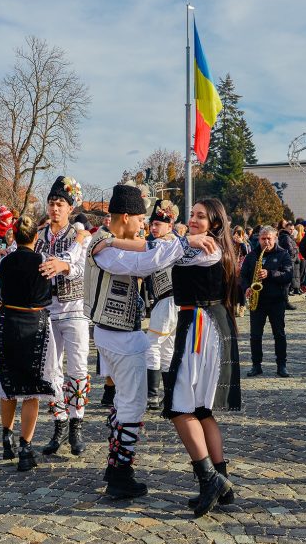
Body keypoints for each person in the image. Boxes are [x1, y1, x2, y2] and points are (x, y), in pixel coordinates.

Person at [87, 193, 236, 516]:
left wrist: (110, 243)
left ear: (215, 223)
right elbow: (154, 251)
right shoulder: (198, 244)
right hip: (194, 323)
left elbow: (152, 257)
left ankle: (208, 477)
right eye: (192, 214)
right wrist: (110, 242)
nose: (193, 220)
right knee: (197, 409)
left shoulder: (205, 248)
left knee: (181, 407)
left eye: (200, 216)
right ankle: (218, 480)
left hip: (198, 325)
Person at [0, 214, 57, 472]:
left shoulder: (4, 260)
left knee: (9, 383)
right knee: (31, 389)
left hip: (8, 320)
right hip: (35, 322)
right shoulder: (43, 260)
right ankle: (25, 447)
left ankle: (6, 435)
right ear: (35, 238)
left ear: (14, 237)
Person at [33, 176, 92, 458]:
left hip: (75, 310)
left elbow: (82, 269)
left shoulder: (80, 237)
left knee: (77, 368)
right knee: (49, 370)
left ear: (70, 208)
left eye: (60, 204)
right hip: (47, 309)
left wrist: (63, 266)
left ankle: (76, 424)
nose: (54, 208)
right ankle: (59, 423)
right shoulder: (40, 237)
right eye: (51, 203)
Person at [240, 226, 293, 378]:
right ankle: (256, 365)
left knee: (279, 334)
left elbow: (288, 275)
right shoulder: (252, 256)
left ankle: (281, 365)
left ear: (275, 238)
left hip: (276, 300)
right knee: (255, 335)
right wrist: (246, 288)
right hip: (258, 301)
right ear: (259, 239)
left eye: (269, 238)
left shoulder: (283, 254)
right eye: (263, 239)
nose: (266, 241)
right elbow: (243, 276)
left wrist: (270, 274)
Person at [144, 200, 180, 411]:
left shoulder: (164, 243)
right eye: (153, 224)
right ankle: (169, 395)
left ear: (169, 225)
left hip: (168, 300)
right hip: (169, 300)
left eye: (158, 224)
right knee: (167, 349)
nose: (154, 228)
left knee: (153, 346)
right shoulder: (172, 242)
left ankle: (152, 395)